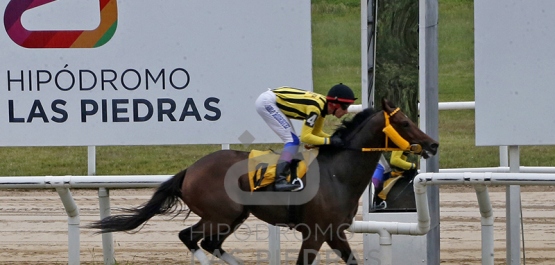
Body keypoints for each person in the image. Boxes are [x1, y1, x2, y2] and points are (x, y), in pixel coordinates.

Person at [255, 83, 357, 191]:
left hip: (270, 100)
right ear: (334, 104)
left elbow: (317, 133)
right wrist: (330, 140)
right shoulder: (316, 108)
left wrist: (336, 139)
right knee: (293, 141)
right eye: (345, 106)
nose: (346, 111)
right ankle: (280, 180)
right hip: (267, 103)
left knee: (293, 140)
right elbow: (306, 137)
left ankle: (283, 176)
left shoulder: (322, 108)